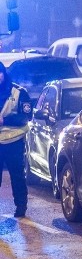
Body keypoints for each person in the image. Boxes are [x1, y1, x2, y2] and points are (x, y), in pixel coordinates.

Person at [0, 61, 32, 217]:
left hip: (14, 141)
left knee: (17, 175)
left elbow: (26, 117)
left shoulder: (19, 93)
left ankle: (21, 206)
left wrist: (4, 121)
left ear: (4, 74)